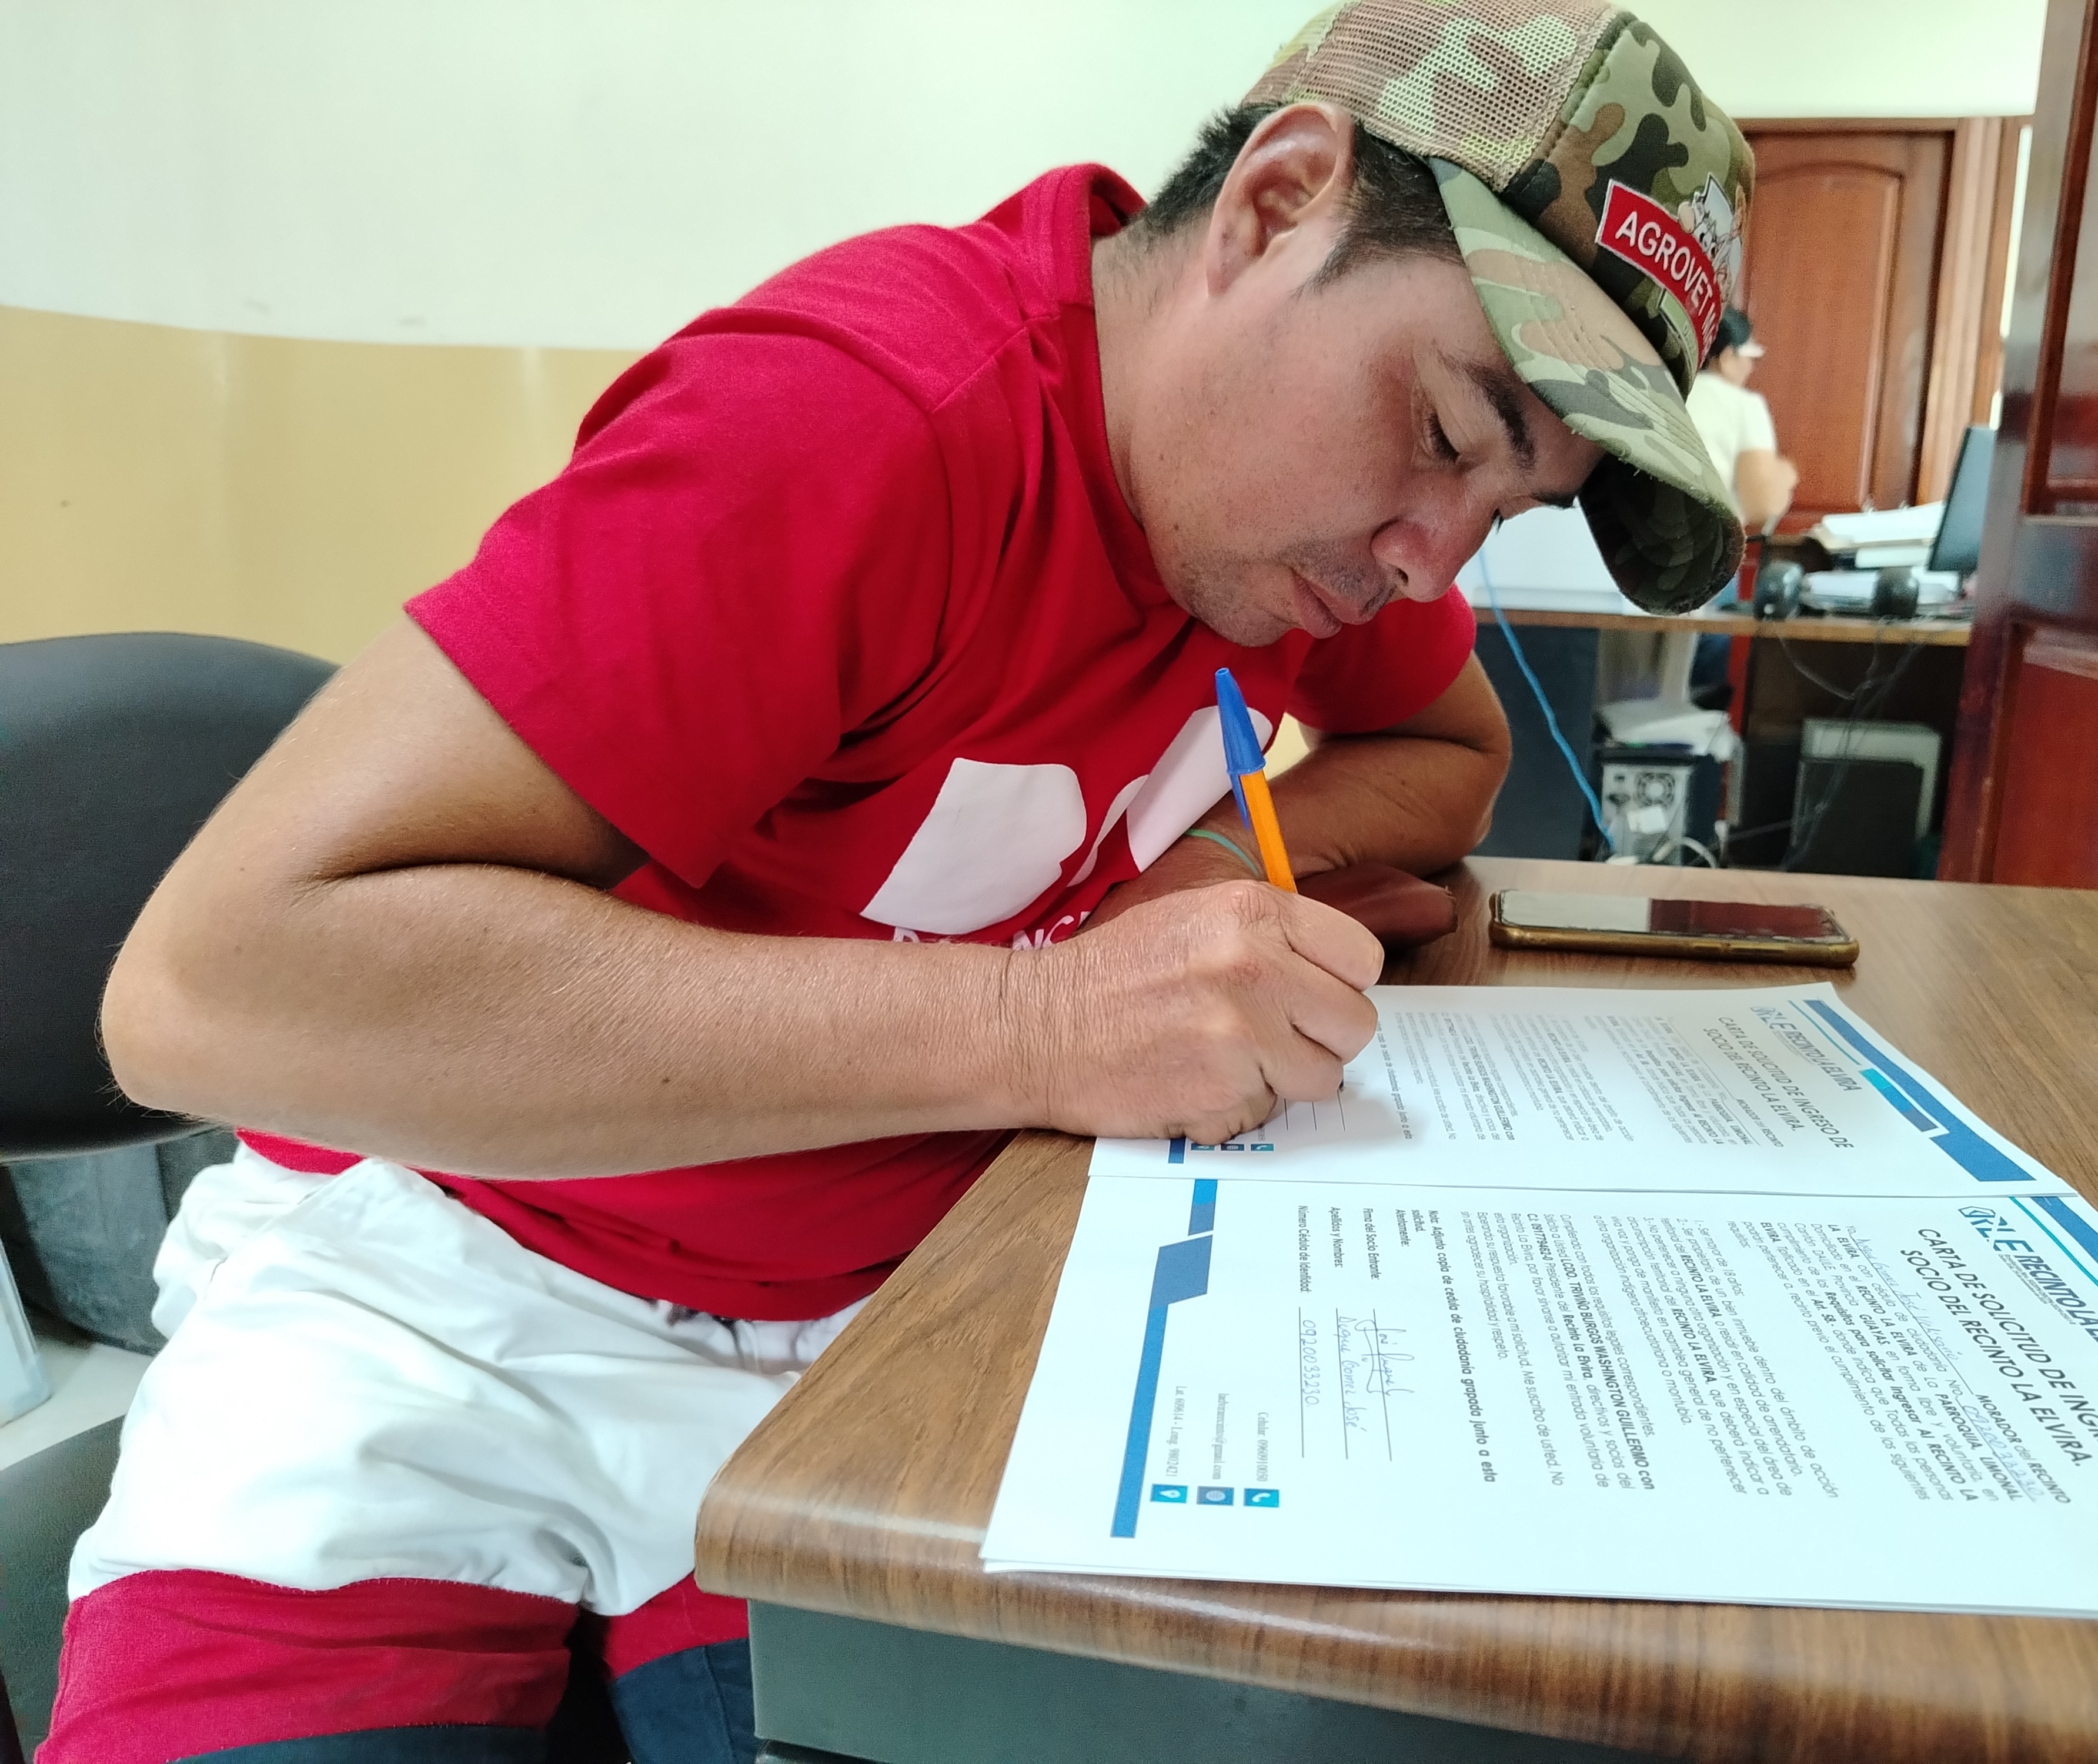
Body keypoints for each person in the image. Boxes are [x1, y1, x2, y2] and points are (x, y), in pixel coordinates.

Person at [55, 4, 1751, 1758]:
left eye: (1506, 509)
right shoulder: (859, 422)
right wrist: (1043, 1021)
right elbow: (208, 992)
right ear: (1276, 203)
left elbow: (1450, 749)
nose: (1431, 555)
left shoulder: (1289, 534)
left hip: (887, 1325)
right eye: (1449, 431)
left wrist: (1200, 869)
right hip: (450, 1287)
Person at [1685, 307, 1800, 532]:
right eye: (1750, 357)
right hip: (1702, 540)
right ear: (1727, 357)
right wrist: (1785, 476)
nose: (1751, 367)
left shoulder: (1667, 392)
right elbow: (1761, 504)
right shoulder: (1744, 406)